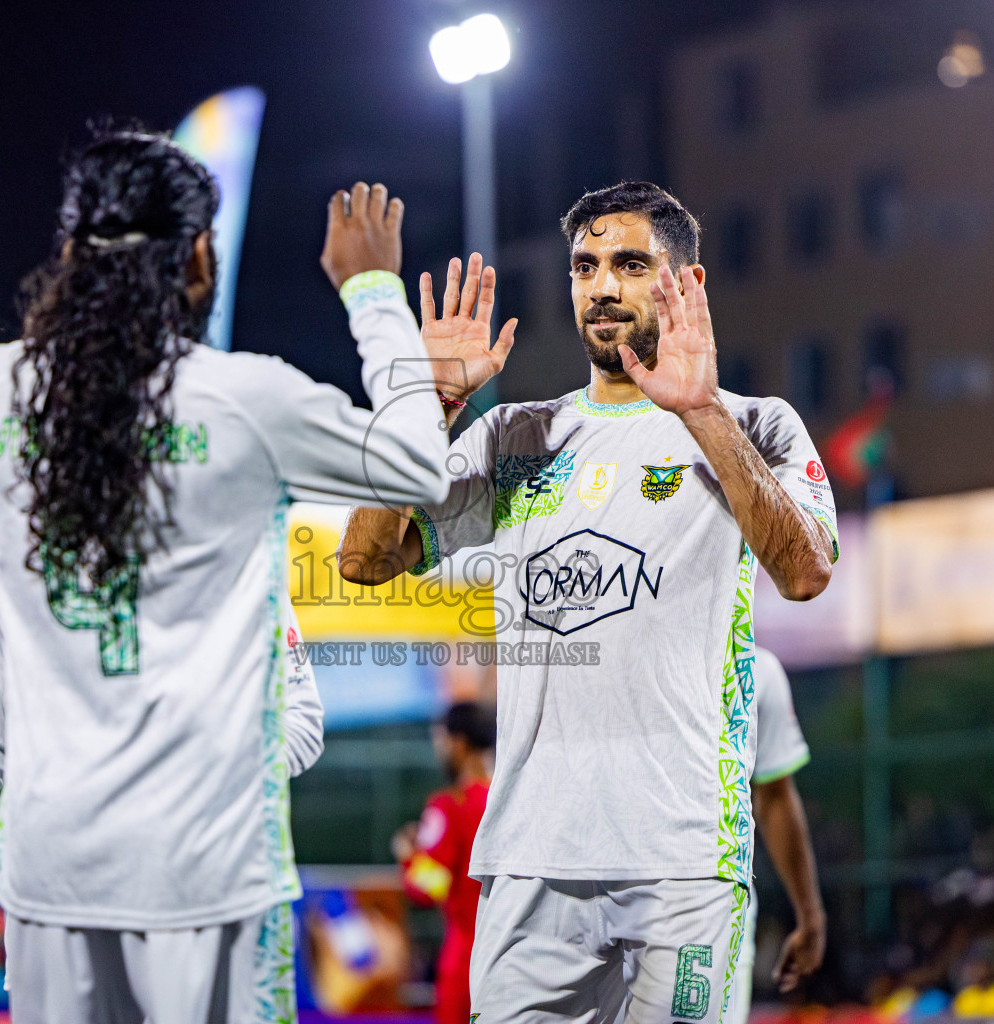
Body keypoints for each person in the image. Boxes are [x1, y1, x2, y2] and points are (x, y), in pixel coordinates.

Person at [0, 126, 475, 1023]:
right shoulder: (247, 400)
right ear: (199, 257)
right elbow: (418, 467)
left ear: (70, 255)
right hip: (207, 880)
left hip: (52, 884)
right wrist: (371, 290)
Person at [338, 181, 837, 1024]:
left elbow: (805, 571)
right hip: (531, 861)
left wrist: (701, 410)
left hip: (681, 860)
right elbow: (362, 561)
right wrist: (426, 410)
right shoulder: (513, 436)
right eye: (585, 266)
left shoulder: (757, 424)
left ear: (686, 283)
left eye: (630, 264)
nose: (602, 286)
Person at [0, 595, 324, 1023]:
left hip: (193, 892)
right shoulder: (23, 577)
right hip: (54, 893)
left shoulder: (237, 566)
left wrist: (200, 778)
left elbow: (299, 720)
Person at [724, 647, 824, 1024]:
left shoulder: (757, 670)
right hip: (574, 881)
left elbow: (775, 796)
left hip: (710, 895)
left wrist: (810, 915)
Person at [392, 702, 495, 1024]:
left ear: (458, 742)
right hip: (512, 956)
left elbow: (429, 888)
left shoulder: (448, 806)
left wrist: (410, 857)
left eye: (439, 740)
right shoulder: (506, 800)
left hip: (464, 961)